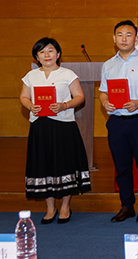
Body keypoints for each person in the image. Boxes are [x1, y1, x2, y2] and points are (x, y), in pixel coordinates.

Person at [19, 37, 90, 224]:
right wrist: (30, 106)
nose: (47, 54)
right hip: (40, 126)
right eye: (42, 51)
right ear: (37, 57)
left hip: (63, 125)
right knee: (44, 164)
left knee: (65, 164)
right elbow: (24, 97)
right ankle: (50, 208)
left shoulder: (68, 74)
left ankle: (65, 206)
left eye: (50, 50)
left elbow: (80, 97)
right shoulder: (31, 76)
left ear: (58, 54)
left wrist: (64, 105)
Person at [99, 20, 138, 223]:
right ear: (114, 38)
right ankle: (126, 206)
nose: (124, 39)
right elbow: (103, 91)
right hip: (117, 121)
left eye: (128, 35)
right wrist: (105, 102)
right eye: (120, 35)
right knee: (122, 166)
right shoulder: (108, 65)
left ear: (136, 39)